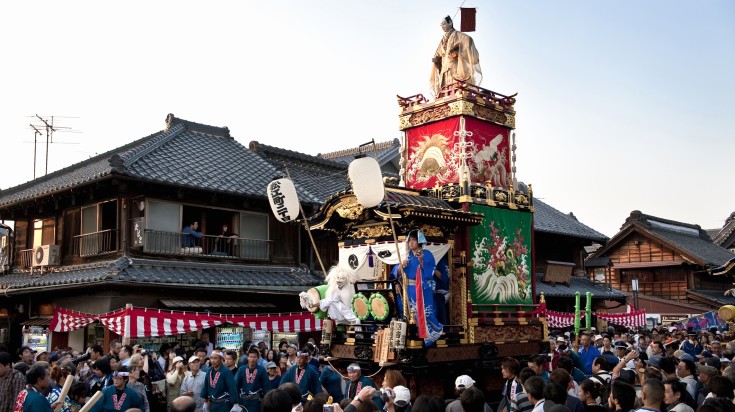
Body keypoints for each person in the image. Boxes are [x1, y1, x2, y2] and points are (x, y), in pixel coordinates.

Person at [394, 229, 443, 345]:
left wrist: (421, 261)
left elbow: (430, 271)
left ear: (419, 241)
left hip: (423, 287)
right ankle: (417, 334)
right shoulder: (408, 257)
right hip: (410, 288)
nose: (411, 243)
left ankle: (431, 334)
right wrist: (402, 266)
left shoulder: (427, 254)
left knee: (426, 311)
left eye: (414, 240)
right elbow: (398, 273)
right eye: (409, 240)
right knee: (413, 311)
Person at [429, 15, 481, 98]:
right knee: (445, 91)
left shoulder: (459, 35)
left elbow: (468, 39)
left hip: (456, 68)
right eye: (441, 25)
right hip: (444, 70)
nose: (442, 27)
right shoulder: (442, 40)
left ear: (450, 22)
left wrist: (458, 50)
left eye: (444, 24)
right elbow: (438, 54)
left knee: (457, 89)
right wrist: (436, 60)